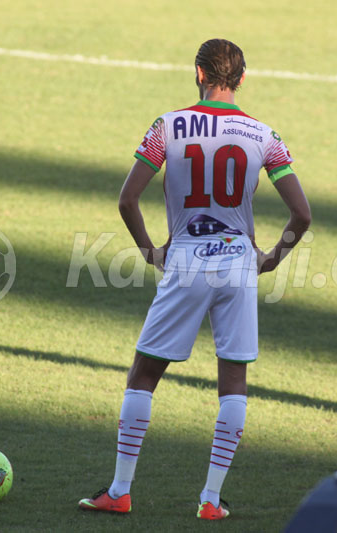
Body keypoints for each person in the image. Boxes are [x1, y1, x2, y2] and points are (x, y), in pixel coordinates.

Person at [78, 38, 311, 520]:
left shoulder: (168, 127)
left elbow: (127, 200)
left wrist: (150, 250)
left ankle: (121, 490)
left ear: (198, 74)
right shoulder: (264, 135)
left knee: (144, 374)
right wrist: (270, 259)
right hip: (237, 263)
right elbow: (302, 214)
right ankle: (210, 501)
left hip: (185, 259)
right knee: (234, 380)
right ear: (242, 79)